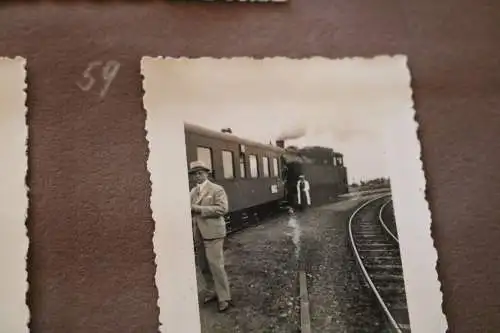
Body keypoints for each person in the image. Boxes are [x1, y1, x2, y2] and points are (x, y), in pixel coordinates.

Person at [189, 160, 232, 312]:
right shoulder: (193, 192)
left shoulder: (217, 189)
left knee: (216, 266)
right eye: (194, 173)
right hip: (199, 234)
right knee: (203, 266)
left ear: (207, 173)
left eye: (200, 172)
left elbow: (222, 209)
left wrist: (198, 209)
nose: (197, 176)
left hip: (213, 234)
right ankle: (212, 291)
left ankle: (224, 297)